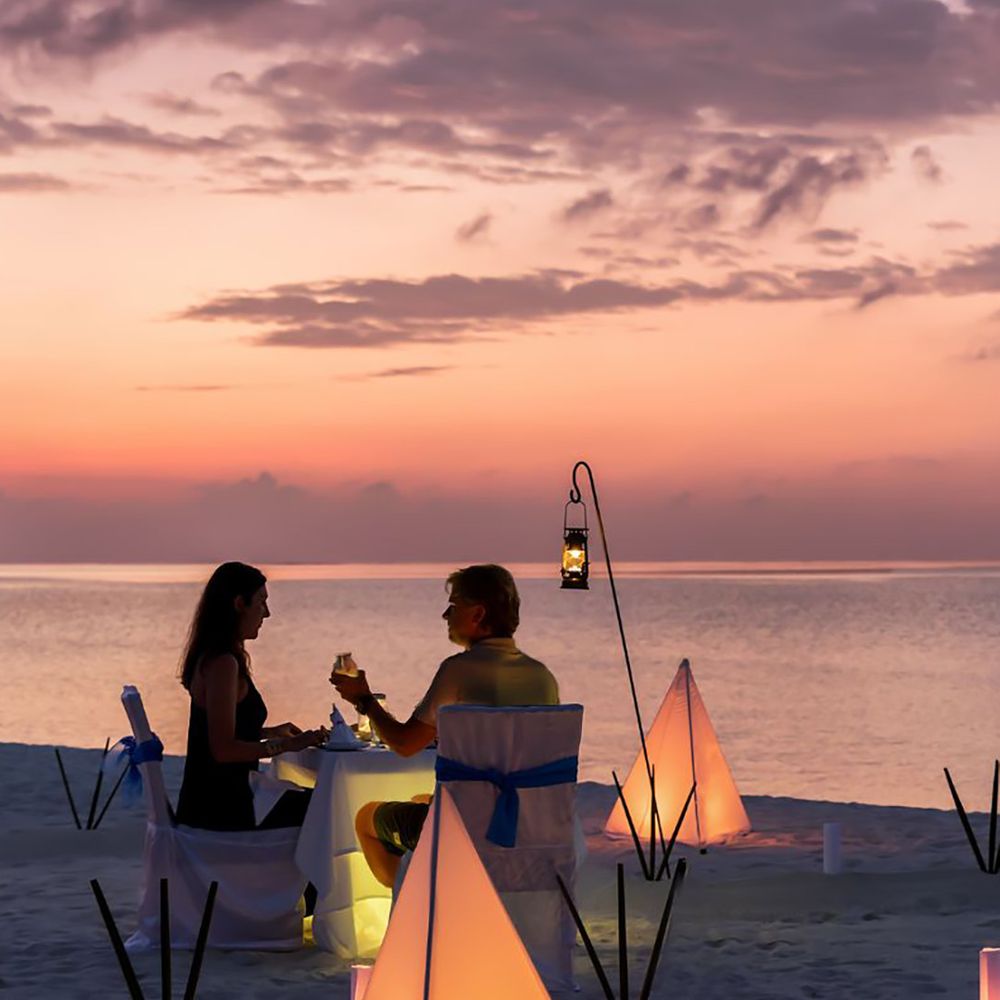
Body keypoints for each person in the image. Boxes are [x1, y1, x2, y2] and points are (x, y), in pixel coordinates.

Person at [331, 563, 559, 886]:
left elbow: (405, 744)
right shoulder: (542, 677)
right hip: (530, 823)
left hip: (467, 830)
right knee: (420, 800)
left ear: (478, 614)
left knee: (366, 818)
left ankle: (428, 897)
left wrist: (365, 700)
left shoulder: (458, 671)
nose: (445, 615)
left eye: (453, 606)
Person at [176, 561, 327, 832]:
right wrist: (287, 745)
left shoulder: (212, 657)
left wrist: (270, 733)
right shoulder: (223, 664)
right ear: (239, 604)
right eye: (261, 602)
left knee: (321, 803)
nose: (267, 613)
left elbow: (220, 732)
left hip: (213, 802)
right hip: (222, 810)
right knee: (332, 806)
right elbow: (223, 750)